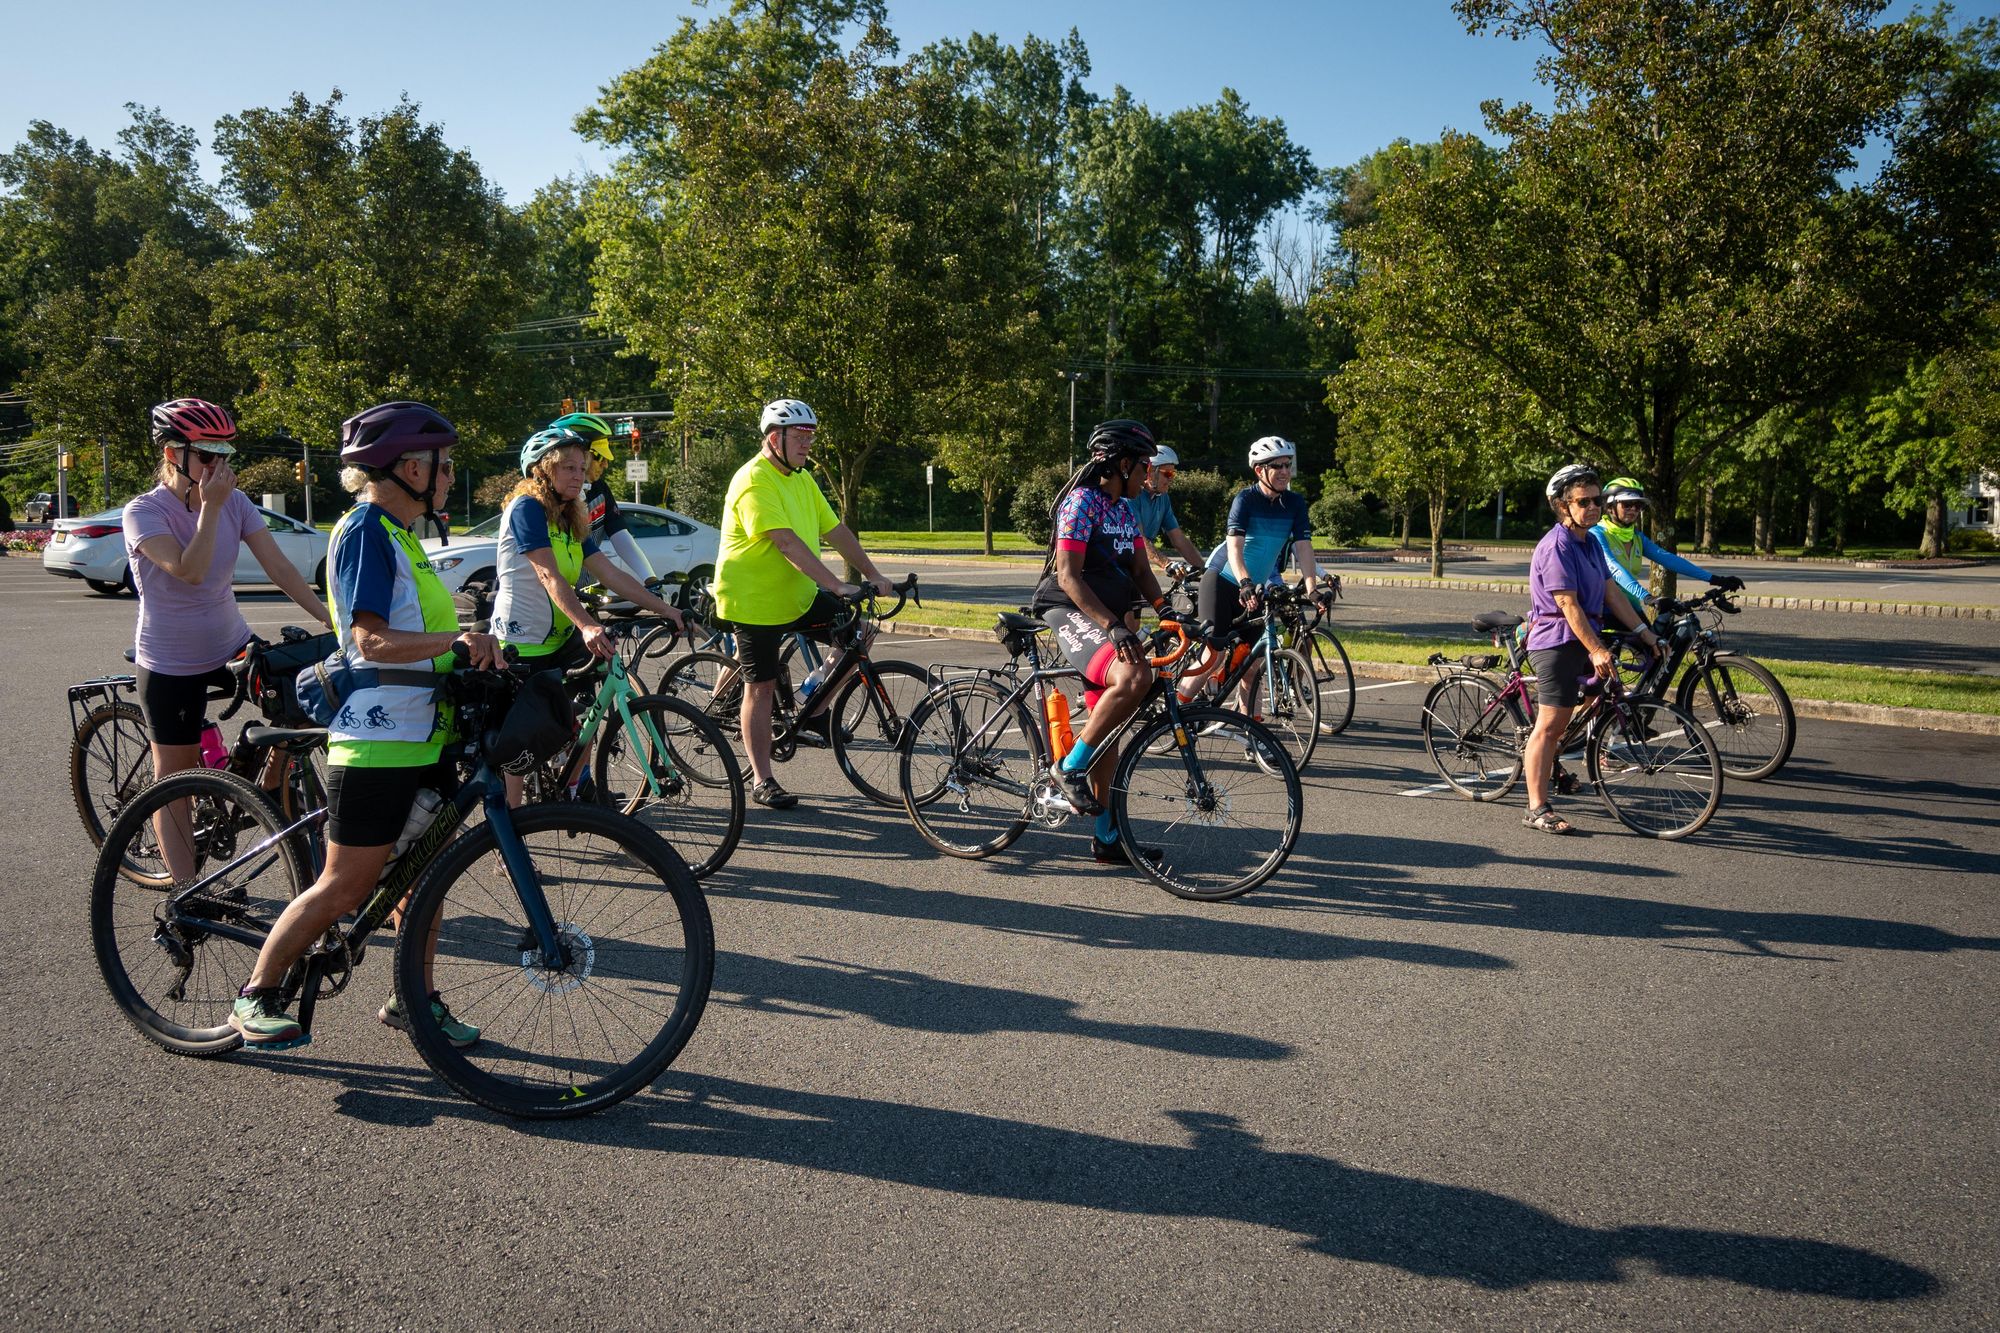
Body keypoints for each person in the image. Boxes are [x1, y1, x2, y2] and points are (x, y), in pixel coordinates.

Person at [230, 401, 503, 1050]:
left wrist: (479, 650)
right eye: (443, 466)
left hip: (423, 732)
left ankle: (415, 997)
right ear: (411, 466)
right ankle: (255, 992)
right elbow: (369, 642)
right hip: (377, 738)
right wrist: (458, 643)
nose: (447, 476)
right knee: (346, 883)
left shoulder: (403, 535)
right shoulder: (363, 533)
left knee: (424, 876)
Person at [124, 398, 332, 883]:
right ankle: (187, 893)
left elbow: (281, 569)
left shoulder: (235, 502)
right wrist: (211, 507)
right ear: (174, 454)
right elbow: (190, 571)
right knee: (174, 782)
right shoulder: (144, 511)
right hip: (170, 661)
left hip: (231, 643)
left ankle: (256, 794)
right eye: (206, 455)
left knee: (297, 706)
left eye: (224, 455)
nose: (218, 466)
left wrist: (333, 621)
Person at [710, 398, 894, 810]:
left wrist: (871, 574)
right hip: (752, 602)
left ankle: (815, 709)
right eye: (801, 436)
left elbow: (836, 531)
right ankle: (762, 779)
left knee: (859, 633)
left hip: (796, 597)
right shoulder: (753, 479)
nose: (808, 444)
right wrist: (835, 584)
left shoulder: (802, 479)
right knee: (761, 686)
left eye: (812, 436)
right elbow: (786, 541)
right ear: (775, 438)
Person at [490, 425, 686, 806]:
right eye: (568, 468)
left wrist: (665, 608)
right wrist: (587, 624)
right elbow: (547, 573)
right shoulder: (527, 508)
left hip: (561, 637)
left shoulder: (570, 514)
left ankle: (575, 788)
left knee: (586, 715)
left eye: (582, 468)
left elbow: (608, 572)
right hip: (523, 641)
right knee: (520, 745)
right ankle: (508, 835)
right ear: (543, 470)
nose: (579, 476)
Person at [1030, 418, 1170, 865]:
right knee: (1133, 674)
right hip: (1069, 609)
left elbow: (1141, 570)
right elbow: (1068, 576)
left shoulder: (1126, 510)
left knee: (1107, 726)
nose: (1148, 475)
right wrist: (1112, 625)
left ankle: (1108, 838)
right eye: (1144, 466)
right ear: (1122, 463)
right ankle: (1068, 768)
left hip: (1107, 617)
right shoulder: (1081, 503)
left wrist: (1168, 612)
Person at [1521, 464, 1661, 834]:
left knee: (1592, 704)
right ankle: (1536, 808)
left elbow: (1611, 592)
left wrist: (1645, 632)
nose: (1594, 507)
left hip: (1584, 636)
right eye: (1584, 501)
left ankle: (1557, 761)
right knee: (1550, 725)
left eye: (1598, 500)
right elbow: (1568, 605)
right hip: (1555, 642)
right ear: (1562, 506)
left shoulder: (1592, 542)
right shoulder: (1555, 546)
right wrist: (1597, 650)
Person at [1192, 436, 1326, 709]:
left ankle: (1252, 738)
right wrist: (1245, 582)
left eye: (1288, 465)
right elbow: (1235, 550)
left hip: (1254, 589)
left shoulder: (1295, 503)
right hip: (1223, 581)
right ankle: (1177, 713)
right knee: (1213, 656)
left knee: (1251, 667)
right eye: (1277, 466)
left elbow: (1303, 548)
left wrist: (1311, 588)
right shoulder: (1245, 500)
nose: (1285, 472)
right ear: (1259, 470)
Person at [1591, 476, 1743, 617]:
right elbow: (1615, 569)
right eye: (1627, 504)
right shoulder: (1597, 534)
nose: (1633, 509)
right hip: (1604, 610)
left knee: (1661, 642)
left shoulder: (1636, 537)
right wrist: (1647, 597)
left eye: (1638, 505)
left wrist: (1715, 579)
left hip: (1631, 607)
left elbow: (1668, 559)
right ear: (1610, 506)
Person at [549, 410, 661, 586]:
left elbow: (620, 535)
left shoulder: (600, 489)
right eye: (600, 457)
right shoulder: (543, 500)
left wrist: (650, 579)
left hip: (586, 589)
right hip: (553, 595)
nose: (606, 464)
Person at [1126, 444, 1204, 570]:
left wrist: (1204, 570)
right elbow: (1138, 539)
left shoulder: (1162, 497)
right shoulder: (1132, 496)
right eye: (1167, 474)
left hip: (1138, 564)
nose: (1171, 479)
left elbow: (1178, 538)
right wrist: (1167, 564)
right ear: (1150, 472)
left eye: (1173, 474)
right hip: (1121, 563)